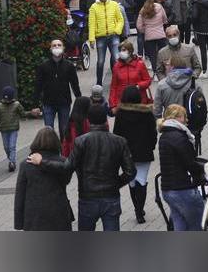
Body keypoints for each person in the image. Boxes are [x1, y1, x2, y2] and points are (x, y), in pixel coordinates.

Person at [27, 102, 136, 232]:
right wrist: (115, 183)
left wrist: (42, 162)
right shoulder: (119, 141)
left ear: (88, 120)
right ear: (105, 120)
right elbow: (131, 171)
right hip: (111, 196)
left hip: (87, 196)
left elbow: (67, 166)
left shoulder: (81, 141)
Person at [157, 103, 207, 231]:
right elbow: (190, 163)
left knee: (179, 226)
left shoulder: (164, 136)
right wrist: (205, 168)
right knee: (197, 226)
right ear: (177, 117)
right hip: (183, 189)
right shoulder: (179, 137)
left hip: (168, 189)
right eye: (184, 117)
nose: (186, 120)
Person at [14, 126, 74, 231]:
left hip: (33, 217)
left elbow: (20, 195)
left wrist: (19, 223)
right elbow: (67, 180)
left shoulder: (26, 164)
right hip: (59, 213)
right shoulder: (63, 162)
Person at [112, 85, 157, 224]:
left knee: (131, 182)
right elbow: (153, 133)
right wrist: (151, 146)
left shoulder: (120, 114)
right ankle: (140, 210)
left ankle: (137, 209)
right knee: (142, 181)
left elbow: (116, 135)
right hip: (144, 152)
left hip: (127, 154)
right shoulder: (147, 113)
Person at [34, 39, 82, 140]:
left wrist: (79, 101)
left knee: (64, 130)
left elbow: (75, 84)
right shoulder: (43, 66)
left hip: (64, 103)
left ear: (63, 48)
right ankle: (51, 153)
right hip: (48, 103)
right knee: (48, 131)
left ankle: (63, 152)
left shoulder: (69, 66)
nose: (56, 47)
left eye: (59, 45)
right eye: (54, 45)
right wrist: (35, 105)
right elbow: (38, 85)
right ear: (50, 49)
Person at [0, 86, 40, 172]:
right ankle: (11, 159)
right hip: (4, 130)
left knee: (12, 146)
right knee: (6, 147)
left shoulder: (16, 105)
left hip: (14, 128)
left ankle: (12, 162)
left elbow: (23, 113)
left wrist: (31, 113)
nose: (7, 101)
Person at [88, 0, 125, 87]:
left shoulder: (114, 4)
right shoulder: (94, 7)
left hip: (113, 35)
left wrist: (117, 31)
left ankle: (117, 80)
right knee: (100, 61)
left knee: (116, 58)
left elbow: (120, 20)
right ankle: (99, 82)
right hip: (101, 37)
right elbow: (91, 24)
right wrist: (91, 39)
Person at [109, 39, 153, 110]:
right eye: (120, 50)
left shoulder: (140, 64)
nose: (121, 52)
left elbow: (148, 80)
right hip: (123, 102)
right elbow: (113, 86)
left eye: (123, 50)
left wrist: (138, 86)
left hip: (139, 101)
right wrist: (113, 105)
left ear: (130, 51)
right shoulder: (116, 66)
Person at [137, 0, 168, 72]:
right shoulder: (160, 7)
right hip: (161, 35)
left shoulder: (143, 9)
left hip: (149, 36)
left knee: (152, 55)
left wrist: (146, 30)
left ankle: (156, 71)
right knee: (164, 53)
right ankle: (164, 69)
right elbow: (165, 19)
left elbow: (139, 26)